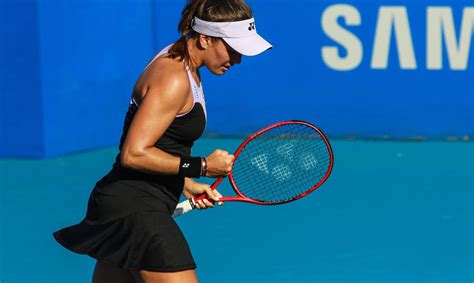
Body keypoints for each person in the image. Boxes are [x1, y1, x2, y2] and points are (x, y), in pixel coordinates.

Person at [52, 0, 272, 282]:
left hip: (127, 203)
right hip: (135, 209)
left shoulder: (182, 62)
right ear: (204, 39)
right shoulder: (173, 78)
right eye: (232, 49)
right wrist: (202, 166)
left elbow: (160, 145)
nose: (238, 59)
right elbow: (134, 154)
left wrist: (183, 183)